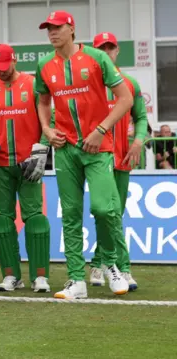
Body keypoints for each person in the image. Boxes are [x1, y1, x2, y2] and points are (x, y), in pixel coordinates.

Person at [35, 10, 132, 299]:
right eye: (48, 28)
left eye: (57, 27)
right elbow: (42, 101)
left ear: (71, 28)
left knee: (105, 209)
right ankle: (76, 279)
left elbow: (125, 98)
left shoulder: (96, 58)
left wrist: (101, 129)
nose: (52, 32)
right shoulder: (44, 64)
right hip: (65, 149)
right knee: (71, 213)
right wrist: (47, 129)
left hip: (97, 146)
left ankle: (111, 264)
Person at [0, 44, 52, 293]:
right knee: (2, 219)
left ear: (15, 60)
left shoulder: (32, 84)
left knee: (35, 218)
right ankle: (11, 276)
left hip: (29, 162)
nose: (1, 72)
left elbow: (48, 116)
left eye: (4, 66)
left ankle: (40, 277)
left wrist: (43, 149)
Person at [89, 32, 148, 291]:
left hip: (122, 159)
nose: (107, 51)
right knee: (105, 214)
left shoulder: (130, 82)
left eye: (110, 47)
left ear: (117, 50)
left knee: (115, 214)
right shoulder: (89, 84)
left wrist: (138, 141)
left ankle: (99, 262)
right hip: (96, 159)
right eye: (101, 48)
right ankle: (122, 268)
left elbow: (142, 118)